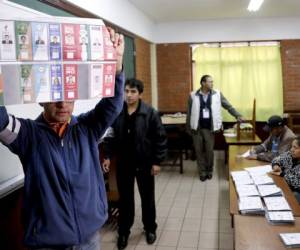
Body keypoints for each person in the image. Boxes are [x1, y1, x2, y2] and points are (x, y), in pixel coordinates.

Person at [0, 27, 124, 250]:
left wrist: (116, 67)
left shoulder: (87, 128)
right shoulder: (28, 135)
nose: (63, 105)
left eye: (69, 98)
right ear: (40, 99)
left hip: (89, 237)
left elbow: (113, 104)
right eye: (55, 97)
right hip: (48, 242)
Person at [102, 78, 167, 250]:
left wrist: (157, 162)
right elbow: (110, 136)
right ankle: (124, 231)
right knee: (125, 200)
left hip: (144, 163)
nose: (129, 95)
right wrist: (107, 155)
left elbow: (159, 138)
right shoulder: (117, 113)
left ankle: (150, 228)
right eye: (127, 91)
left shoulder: (150, 113)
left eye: (133, 92)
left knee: (147, 198)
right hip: (124, 163)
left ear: (140, 94)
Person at [186, 74, 243, 181]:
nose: (212, 83)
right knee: (198, 151)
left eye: (212, 82)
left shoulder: (217, 94)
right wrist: (188, 128)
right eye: (210, 81)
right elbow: (189, 113)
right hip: (196, 128)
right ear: (203, 83)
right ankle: (202, 172)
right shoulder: (193, 95)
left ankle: (209, 170)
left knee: (209, 151)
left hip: (209, 128)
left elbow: (228, 106)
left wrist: (237, 115)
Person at [271, 136, 300, 203]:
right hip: (288, 186)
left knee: (292, 197)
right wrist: (276, 165)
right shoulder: (290, 155)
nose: (291, 149)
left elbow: (297, 183)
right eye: (292, 146)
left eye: (295, 147)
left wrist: (283, 174)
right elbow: (277, 159)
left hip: (297, 192)